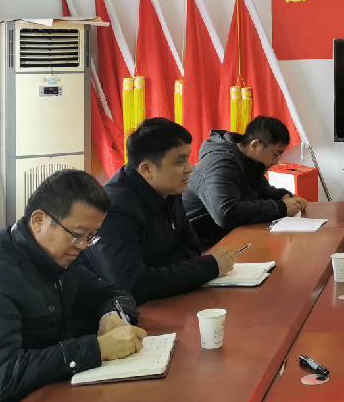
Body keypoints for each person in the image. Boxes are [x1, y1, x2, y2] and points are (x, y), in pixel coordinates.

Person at [0, 169, 145, 402]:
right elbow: (3, 376)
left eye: (91, 237)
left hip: (53, 398)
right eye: (78, 234)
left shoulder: (56, 255)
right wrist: (97, 348)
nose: (84, 246)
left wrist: (110, 317)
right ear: (39, 220)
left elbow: (112, 293)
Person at [90, 117, 235, 303]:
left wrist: (160, 272)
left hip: (164, 299)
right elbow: (133, 285)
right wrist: (209, 267)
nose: (189, 168)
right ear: (147, 169)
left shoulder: (169, 190)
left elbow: (191, 246)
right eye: (180, 161)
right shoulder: (114, 210)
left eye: (188, 158)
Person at [183, 116, 308, 250]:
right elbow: (226, 214)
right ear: (255, 144)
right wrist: (282, 207)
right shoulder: (220, 163)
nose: (276, 162)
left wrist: (283, 196)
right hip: (197, 245)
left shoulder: (248, 161)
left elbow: (262, 191)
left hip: (226, 238)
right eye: (275, 154)